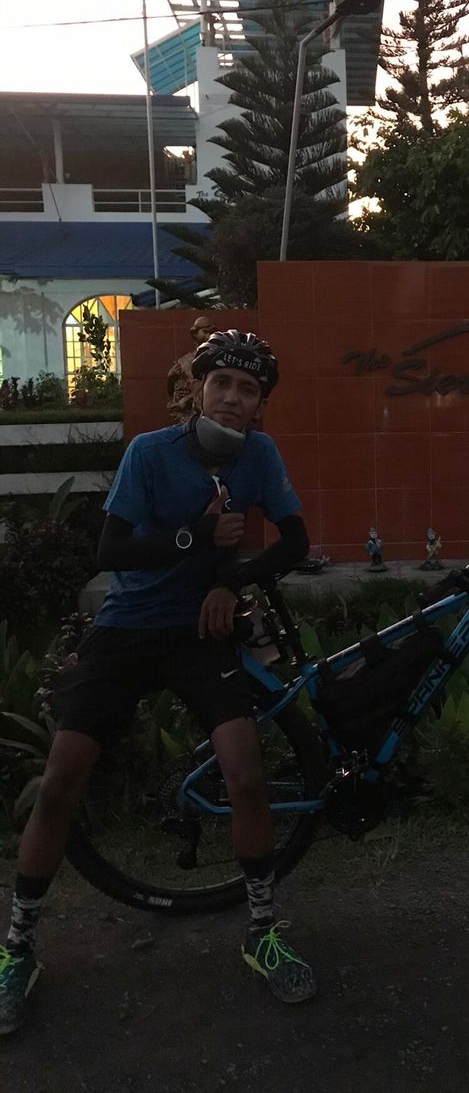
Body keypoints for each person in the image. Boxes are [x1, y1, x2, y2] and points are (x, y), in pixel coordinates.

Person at [0, 330, 315, 1035]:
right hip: (128, 629)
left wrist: (231, 583)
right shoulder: (150, 452)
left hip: (200, 632)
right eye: (221, 384)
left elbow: (294, 540)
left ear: (259, 405)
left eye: (247, 390)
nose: (232, 399)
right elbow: (110, 549)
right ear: (198, 390)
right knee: (59, 782)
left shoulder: (259, 456)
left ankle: (263, 932)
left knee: (246, 775)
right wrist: (193, 539)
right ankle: (17, 948)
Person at [166, 315, 216, 421]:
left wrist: (186, 399)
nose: (208, 336)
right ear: (195, 333)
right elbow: (172, 392)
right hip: (187, 416)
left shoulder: (216, 359)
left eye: (211, 333)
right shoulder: (184, 361)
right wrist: (170, 377)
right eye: (205, 332)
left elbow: (213, 387)